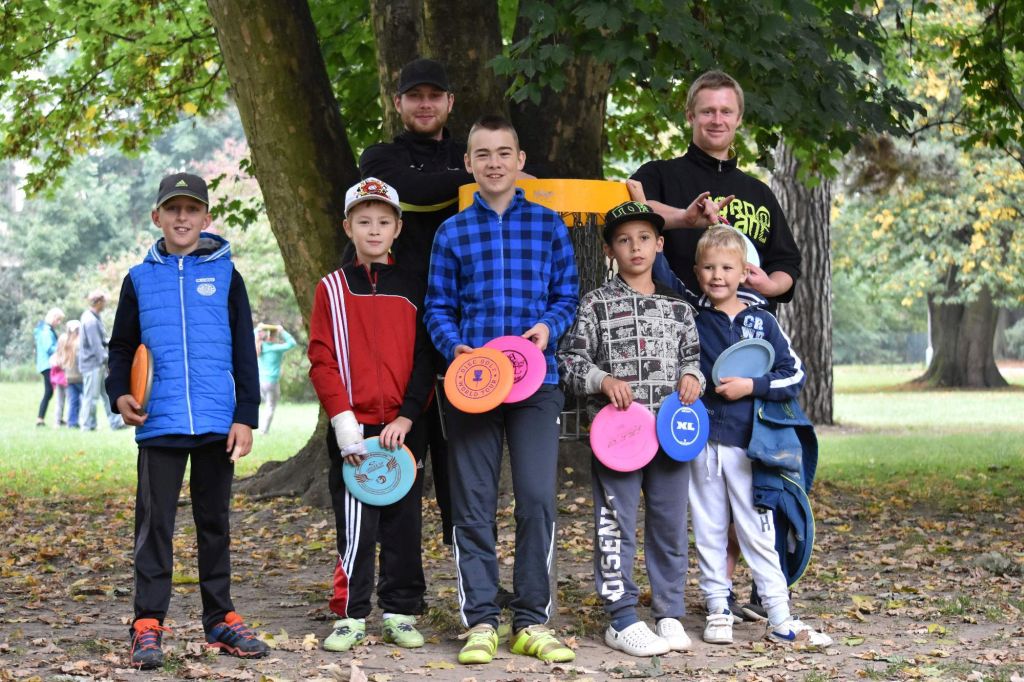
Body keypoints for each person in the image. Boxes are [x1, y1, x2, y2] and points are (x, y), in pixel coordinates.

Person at [424, 115, 579, 665]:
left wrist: (548, 329)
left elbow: (567, 295)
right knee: (473, 504)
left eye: (503, 153)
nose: (494, 163)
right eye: (483, 154)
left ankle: (531, 620)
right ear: (468, 162)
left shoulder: (548, 225)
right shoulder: (451, 233)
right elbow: (437, 307)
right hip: (472, 386)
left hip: (538, 383)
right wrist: (454, 348)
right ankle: (482, 621)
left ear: (520, 161)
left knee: (536, 499)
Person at [106, 172, 268, 670]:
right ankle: (147, 623)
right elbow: (122, 347)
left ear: (206, 217)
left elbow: (244, 350)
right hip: (159, 421)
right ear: (157, 217)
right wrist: (119, 394)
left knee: (214, 523)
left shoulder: (228, 276)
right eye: (173, 209)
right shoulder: (138, 279)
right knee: (155, 525)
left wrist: (245, 415)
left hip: (217, 421)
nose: (182, 217)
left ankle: (220, 618)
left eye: (192, 209)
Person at [558, 201, 705, 657]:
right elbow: (569, 361)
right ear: (609, 250)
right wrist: (603, 380)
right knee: (614, 523)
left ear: (659, 243)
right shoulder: (595, 305)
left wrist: (692, 378)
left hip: (670, 436)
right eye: (623, 240)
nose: (635, 247)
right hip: (618, 438)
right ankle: (621, 617)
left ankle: (669, 612)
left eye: (644, 238)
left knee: (669, 524)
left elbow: (693, 359)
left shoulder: (678, 308)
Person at [687, 226, 831, 648]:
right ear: (697, 272)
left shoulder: (762, 321)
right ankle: (718, 609)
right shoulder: (691, 321)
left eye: (726, 268)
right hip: (701, 443)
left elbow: (794, 374)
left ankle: (780, 617)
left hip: (749, 446)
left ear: (744, 272)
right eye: (709, 268)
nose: (717, 275)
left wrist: (752, 386)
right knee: (709, 528)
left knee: (758, 532)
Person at [307, 177, 435, 653]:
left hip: (404, 427)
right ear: (348, 227)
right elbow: (322, 359)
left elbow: (425, 357)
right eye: (364, 221)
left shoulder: (414, 287)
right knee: (356, 523)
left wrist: (407, 417)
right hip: (353, 429)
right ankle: (351, 614)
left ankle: (401, 611)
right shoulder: (331, 289)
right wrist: (344, 424)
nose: (374, 230)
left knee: (404, 522)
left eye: (384, 221)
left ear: (398, 228)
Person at [358, 57, 474, 546]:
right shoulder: (380, 159)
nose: (425, 104)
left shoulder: (469, 153)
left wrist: (477, 168)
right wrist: (480, 176)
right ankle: (398, 573)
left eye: (434, 96)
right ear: (398, 102)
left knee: (459, 450)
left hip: (462, 321)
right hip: (398, 321)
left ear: (450, 102)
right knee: (400, 444)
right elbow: (414, 192)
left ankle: (467, 561)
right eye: (414, 96)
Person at [629, 69, 801, 308]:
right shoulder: (658, 174)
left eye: (726, 112)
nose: (717, 120)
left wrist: (770, 286)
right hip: (673, 321)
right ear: (690, 116)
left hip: (747, 325)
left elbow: (787, 263)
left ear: (738, 118)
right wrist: (684, 218)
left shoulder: (760, 193)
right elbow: (637, 210)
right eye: (708, 111)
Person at [79, 291, 125, 431]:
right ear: (98, 302)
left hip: (98, 364)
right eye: (104, 302)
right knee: (91, 396)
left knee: (107, 394)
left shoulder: (94, 317)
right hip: (93, 364)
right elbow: (96, 347)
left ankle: (116, 423)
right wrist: (108, 362)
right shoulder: (90, 321)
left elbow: (101, 340)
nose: (105, 305)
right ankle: (88, 425)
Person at [254, 324, 297, 434]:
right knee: (270, 406)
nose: (276, 338)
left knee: (264, 405)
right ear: (271, 337)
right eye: (275, 336)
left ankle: (258, 426)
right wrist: (282, 331)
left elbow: (250, 336)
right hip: (272, 382)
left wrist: (258, 328)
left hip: (260, 382)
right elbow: (292, 343)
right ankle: (263, 431)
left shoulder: (259, 346)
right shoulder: (275, 348)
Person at [34, 307, 64, 426]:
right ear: (53, 318)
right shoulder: (46, 331)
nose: (59, 322)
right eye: (58, 319)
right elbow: (49, 348)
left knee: (49, 391)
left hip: (45, 364)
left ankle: (40, 419)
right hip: (48, 365)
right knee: (58, 390)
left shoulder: (45, 330)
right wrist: (62, 348)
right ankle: (56, 418)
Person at [58, 320, 84, 429]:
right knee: (85, 400)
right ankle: (86, 422)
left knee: (73, 401)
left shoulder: (64, 341)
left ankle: (72, 423)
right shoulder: (79, 343)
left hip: (68, 377)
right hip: (80, 377)